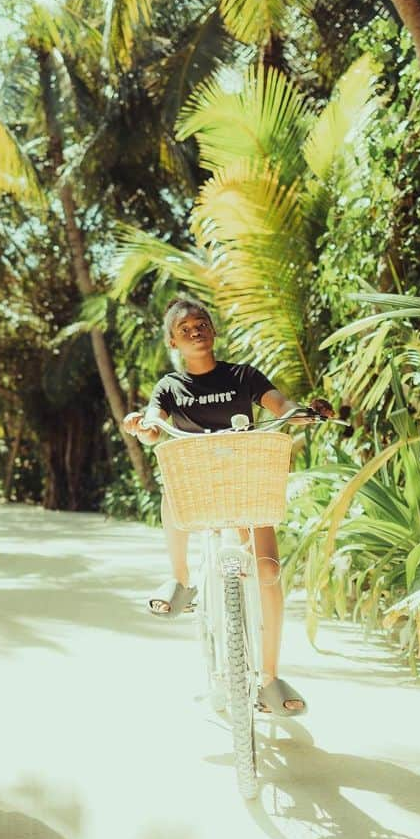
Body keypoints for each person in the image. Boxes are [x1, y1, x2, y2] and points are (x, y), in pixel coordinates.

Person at [122, 296, 332, 717]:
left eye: (201, 323)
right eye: (185, 328)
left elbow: (281, 405)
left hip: (246, 482)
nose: (195, 330)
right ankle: (180, 581)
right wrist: (142, 426)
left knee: (269, 571)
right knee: (173, 488)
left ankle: (270, 679)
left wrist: (298, 415)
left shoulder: (243, 376)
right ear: (173, 341)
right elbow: (152, 426)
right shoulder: (170, 386)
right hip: (197, 484)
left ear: (213, 331)